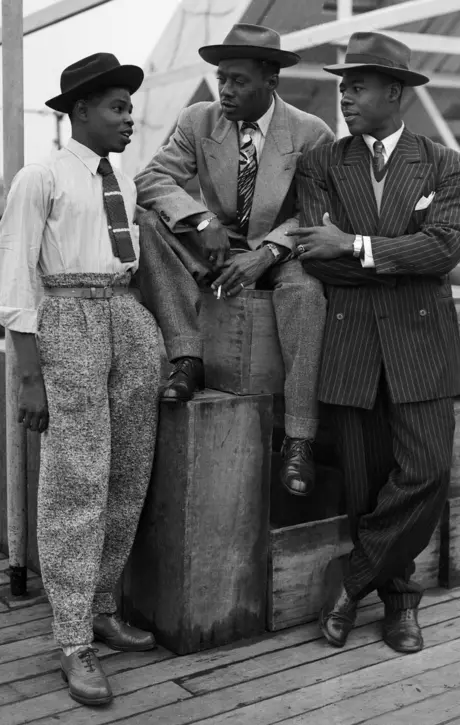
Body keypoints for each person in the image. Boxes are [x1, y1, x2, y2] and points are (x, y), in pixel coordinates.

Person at [292, 32, 460, 653]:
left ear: (395, 92)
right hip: (352, 348)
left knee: (427, 470)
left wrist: (358, 244)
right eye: (342, 85)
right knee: (365, 486)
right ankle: (399, 604)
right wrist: (386, 253)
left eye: (357, 85)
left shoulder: (445, 164)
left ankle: (351, 586)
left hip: (423, 346)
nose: (344, 96)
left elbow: (447, 247)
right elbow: (317, 256)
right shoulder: (322, 162)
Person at [0, 53, 161, 707]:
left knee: (126, 474)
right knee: (76, 481)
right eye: (118, 106)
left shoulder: (116, 182)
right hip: (67, 319)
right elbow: (14, 280)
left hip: (126, 314)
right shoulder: (39, 178)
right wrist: (29, 374)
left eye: (129, 106)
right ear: (81, 112)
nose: (128, 118)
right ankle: (71, 638)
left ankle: (101, 605)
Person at [134, 23, 334, 497]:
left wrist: (266, 253)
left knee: (306, 287)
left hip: (282, 251)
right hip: (214, 246)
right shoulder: (197, 121)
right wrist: (201, 219)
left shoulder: (311, 133)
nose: (225, 89)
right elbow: (151, 180)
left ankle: (299, 438)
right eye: (221, 78)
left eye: (238, 81)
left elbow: (318, 211)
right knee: (146, 222)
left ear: (272, 81)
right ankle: (187, 357)